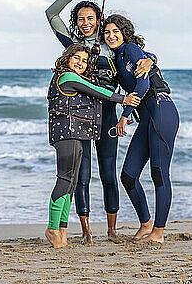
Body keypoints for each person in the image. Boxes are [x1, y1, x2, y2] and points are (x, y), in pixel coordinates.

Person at [45, 0, 155, 244]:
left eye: (91, 18)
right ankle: (85, 231)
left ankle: (111, 230)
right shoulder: (73, 45)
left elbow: (138, 50)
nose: (85, 22)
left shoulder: (112, 46)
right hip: (80, 115)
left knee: (108, 173)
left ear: (99, 20)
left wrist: (151, 59)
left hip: (106, 113)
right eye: (80, 18)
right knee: (81, 176)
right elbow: (51, 14)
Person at [44, 44, 140, 248]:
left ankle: (62, 229)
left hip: (76, 134)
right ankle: (52, 228)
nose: (80, 63)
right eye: (76, 58)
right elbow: (97, 91)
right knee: (64, 179)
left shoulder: (73, 77)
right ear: (67, 58)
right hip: (66, 133)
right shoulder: (66, 76)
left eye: (85, 61)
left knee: (71, 183)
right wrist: (123, 98)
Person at [102, 14, 179, 243]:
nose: (111, 36)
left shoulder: (131, 49)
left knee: (159, 173)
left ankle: (159, 232)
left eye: (115, 31)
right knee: (128, 176)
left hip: (161, 110)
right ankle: (146, 224)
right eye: (107, 32)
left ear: (124, 33)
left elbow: (144, 83)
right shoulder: (116, 59)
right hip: (146, 119)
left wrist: (124, 117)